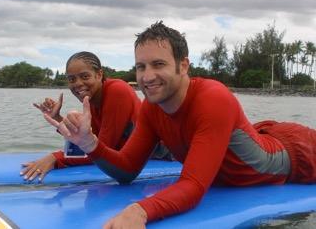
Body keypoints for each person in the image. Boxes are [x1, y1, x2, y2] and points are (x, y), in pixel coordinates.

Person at [44, 21, 316, 228]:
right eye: (140, 67)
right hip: (254, 140)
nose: (147, 76)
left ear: (183, 65)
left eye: (158, 64)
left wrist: (140, 210)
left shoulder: (213, 98)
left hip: (299, 154)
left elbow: (194, 185)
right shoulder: (152, 107)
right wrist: (89, 144)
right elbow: (127, 170)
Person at [20, 51, 172, 182]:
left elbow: (100, 148)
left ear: (99, 74)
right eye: (71, 79)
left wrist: (55, 158)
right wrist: (57, 118)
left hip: (168, 154)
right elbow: (89, 139)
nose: (78, 83)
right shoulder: (92, 100)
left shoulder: (117, 91)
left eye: (85, 76)